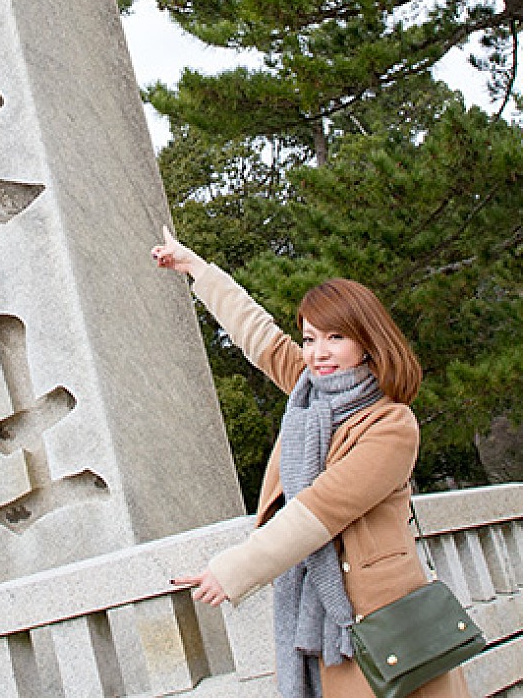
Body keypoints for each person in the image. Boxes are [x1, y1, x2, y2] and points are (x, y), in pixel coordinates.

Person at [151, 226, 469, 698]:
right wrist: (195, 268)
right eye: (310, 338)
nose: (319, 353)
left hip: (383, 623)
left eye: (335, 337)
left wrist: (233, 570)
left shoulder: (391, 425)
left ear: (367, 342)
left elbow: (319, 511)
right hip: (321, 620)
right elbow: (256, 333)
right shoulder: (309, 394)